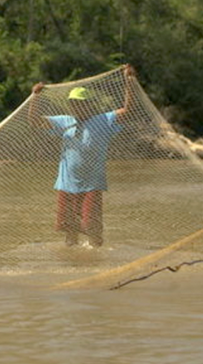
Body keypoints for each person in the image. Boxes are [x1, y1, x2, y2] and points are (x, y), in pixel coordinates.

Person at [28, 65, 136, 247]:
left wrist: (129, 82)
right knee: (70, 232)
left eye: (80, 103)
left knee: (92, 230)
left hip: (92, 185)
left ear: (89, 104)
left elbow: (128, 111)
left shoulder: (104, 119)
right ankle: (73, 261)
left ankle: (95, 262)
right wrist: (35, 97)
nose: (76, 106)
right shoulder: (64, 121)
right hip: (66, 184)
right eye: (73, 103)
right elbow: (34, 121)